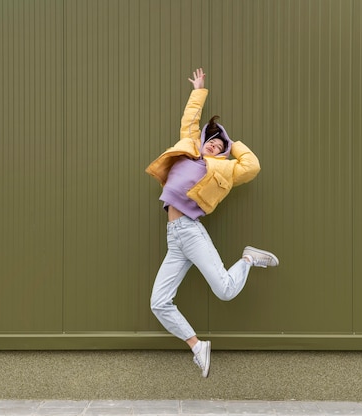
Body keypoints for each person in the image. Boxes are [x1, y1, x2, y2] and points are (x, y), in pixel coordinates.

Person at [145, 68, 279, 378]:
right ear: (204, 140)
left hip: (190, 232)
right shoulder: (189, 148)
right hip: (174, 237)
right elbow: (190, 120)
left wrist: (234, 145)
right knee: (159, 302)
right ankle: (196, 346)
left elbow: (252, 166)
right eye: (212, 143)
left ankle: (247, 259)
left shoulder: (224, 170)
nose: (213, 147)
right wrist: (199, 90)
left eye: (219, 147)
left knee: (226, 291)